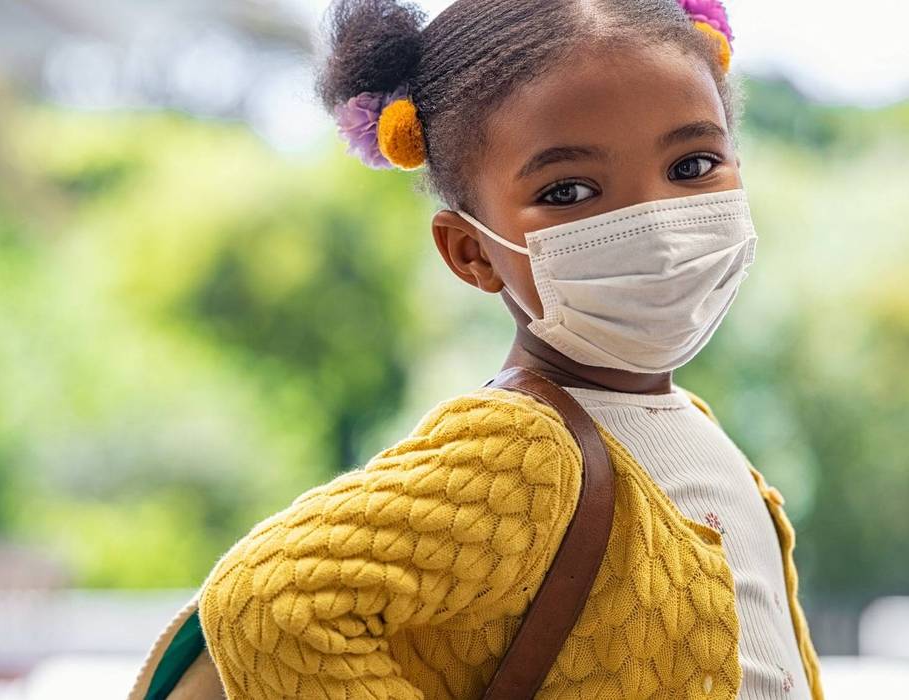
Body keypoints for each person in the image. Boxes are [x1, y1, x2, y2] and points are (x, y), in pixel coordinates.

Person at [181, 1, 824, 697]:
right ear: (471, 252)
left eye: (693, 164)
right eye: (568, 191)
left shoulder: (681, 421)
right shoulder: (524, 451)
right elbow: (269, 603)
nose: (658, 225)